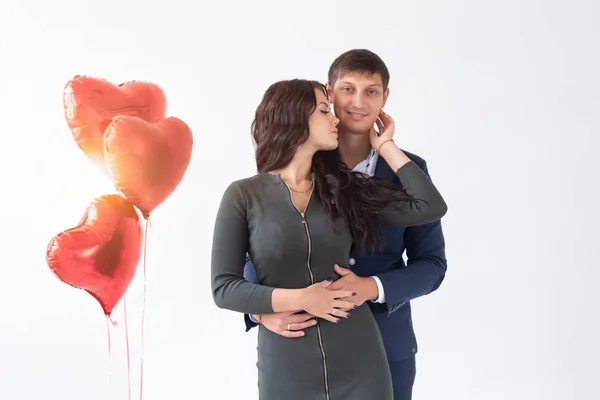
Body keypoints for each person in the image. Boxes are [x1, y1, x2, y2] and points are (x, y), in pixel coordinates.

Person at [211, 78, 447, 400]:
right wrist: (301, 300)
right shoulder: (243, 195)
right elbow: (224, 288)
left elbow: (430, 207)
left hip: (362, 362)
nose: (336, 117)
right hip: (286, 365)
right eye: (324, 110)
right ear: (293, 117)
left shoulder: (343, 189)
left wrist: (386, 146)